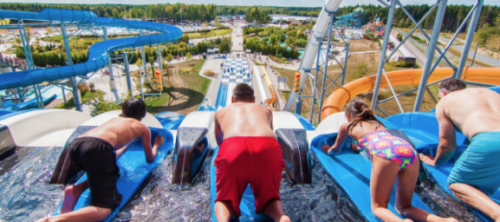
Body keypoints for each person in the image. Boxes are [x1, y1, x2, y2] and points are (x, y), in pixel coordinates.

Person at [323, 99, 457, 222]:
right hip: (408, 150)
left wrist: (327, 150)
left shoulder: (347, 126)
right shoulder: (376, 123)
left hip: (386, 154)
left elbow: (335, 149)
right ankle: (445, 221)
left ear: (347, 114)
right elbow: (373, 141)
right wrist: (357, 148)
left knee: (378, 208)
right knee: (404, 207)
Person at [37, 99, 164, 222]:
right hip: (96, 150)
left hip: (76, 146)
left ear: (123, 110)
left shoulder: (115, 120)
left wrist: (126, 146)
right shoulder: (143, 128)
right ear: (143, 114)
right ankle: (54, 220)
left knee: (113, 172)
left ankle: (76, 190)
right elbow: (150, 158)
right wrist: (157, 145)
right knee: (103, 210)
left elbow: (107, 153)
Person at [419, 78, 500, 221]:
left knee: (457, 184)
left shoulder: (446, 101)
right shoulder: (489, 93)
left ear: (443, 92)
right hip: (493, 142)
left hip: (490, 141)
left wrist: (436, 162)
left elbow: (447, 145)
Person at [213, 83, 290, 222]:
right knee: (270, 199)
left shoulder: (221, 112)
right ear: (254, 100)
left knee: (225, 201)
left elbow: (220, 142)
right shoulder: (265, 110)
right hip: (267, 148)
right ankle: (281, 217)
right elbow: (268, 133)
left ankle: (223, 219)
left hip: (233, 148)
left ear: (232, 99)